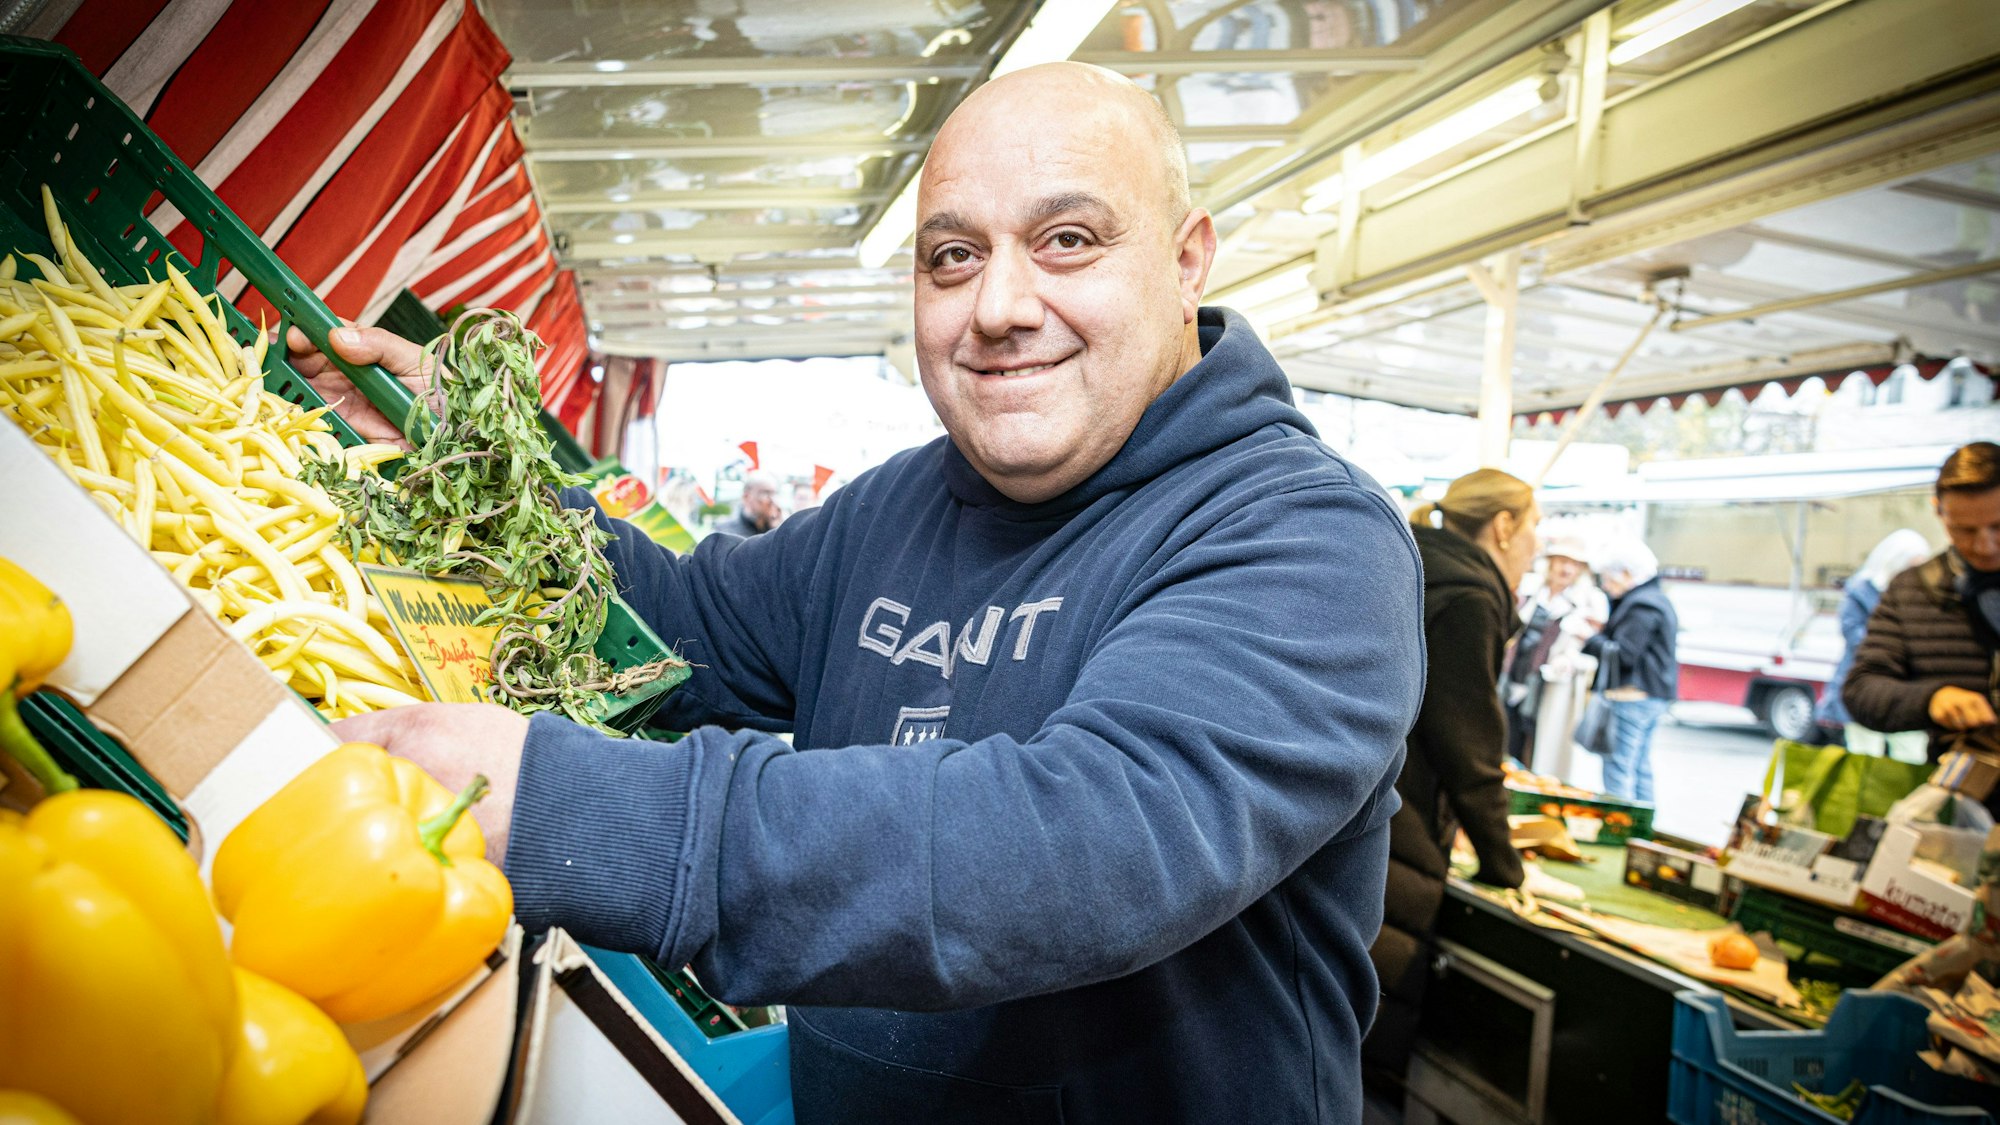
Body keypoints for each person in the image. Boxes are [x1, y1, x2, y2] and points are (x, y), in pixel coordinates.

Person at [288, 62, 1424, 1123]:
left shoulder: (1304, 538)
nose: (998, 307)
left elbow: (1078, 844)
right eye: (951, 257)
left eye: (1067, 240)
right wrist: (483, 476)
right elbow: (674, 626)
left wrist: (570, 811)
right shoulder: (894, 510)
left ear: (1186, 261)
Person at [1365, 469, 1537, 1085]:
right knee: (1368, 1030)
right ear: (1504, 526)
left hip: (1363, 801)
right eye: (1535, 528)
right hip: (1400, 822)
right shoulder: (1470, 595)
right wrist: (1504, 865)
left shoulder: (1410, 557)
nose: (1535, 548)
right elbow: (1470, 747)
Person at [1845, 442, 2000, 767]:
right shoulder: (1911, 589)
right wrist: (1931, 698)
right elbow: (1862, 690)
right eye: (1964, 530)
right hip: (1957, 801)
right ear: (1939, 510)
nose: (1984, 546)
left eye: (1998, 527)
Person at [1816, 529, 1935, 757]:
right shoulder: (1861, 591)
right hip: (1866, 688)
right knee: (1864, 756)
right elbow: (1853, 634)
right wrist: (1898, 649)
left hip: (1906, 693)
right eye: (1911, 565)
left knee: (1911, 755)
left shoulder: (1923, 595)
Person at [1584, 538, 1678, 802]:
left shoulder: (1641, 604)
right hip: (1651, 697)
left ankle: (1621, 826)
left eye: (1607, 578)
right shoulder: (1656, 599)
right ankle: (1641, 828)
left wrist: (1589, 638)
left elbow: (1624, 654)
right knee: (1639, 766)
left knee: (1619, 767)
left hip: (1632, 697)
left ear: (1626, 573)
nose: (1605, 585)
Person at [1502, 536, 1606, 765]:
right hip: (1512, 675)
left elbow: (1593, 647)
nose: (1566, 569)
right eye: (1561, 561)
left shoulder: (1590, 601)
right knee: (1505, 736)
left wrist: (1570, 659)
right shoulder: (1529, 590)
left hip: (1550, 685)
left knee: (1538, 746)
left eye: (1574, 564)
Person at [721, 471, 781, 537]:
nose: (773, 501)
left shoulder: (777, 527)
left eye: (774, 494)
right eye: (765, 493)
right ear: (746, 497)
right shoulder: (726, 534)